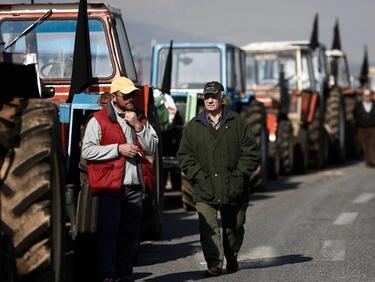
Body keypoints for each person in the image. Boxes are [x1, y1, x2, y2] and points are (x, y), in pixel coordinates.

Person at [177, 81, 260, 277]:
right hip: (204, 186)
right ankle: (214, 263)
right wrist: (197, 175)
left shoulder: (238, 123)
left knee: (235, 226)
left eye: (214, 96)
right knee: (208, 228)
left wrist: (239, 175)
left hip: (233, 185)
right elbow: (184, 156)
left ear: (222, 98)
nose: (210, 100)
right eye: (207, 97)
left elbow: (251, 153)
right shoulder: (193, 126)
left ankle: (232, 257)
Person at [81, 76, 159, 282]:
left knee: (131, 233)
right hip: (110, 187)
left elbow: (152, 147)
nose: (130, 98)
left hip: (134, 186)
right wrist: (118, 149)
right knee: (109, 232)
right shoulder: (98, 120)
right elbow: (87, 151)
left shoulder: (140, 118)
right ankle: (107, 274)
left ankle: (124, 273)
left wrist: (138, 127)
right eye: (125, 95)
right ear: (114, 96)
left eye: (132, 94)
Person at [354, 88, 375, 167]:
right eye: (365, 96)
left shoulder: (374, 105)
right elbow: (355, 116)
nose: (367, 97)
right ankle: (367, 160)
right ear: (363, 96)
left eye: (368, 95)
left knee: (372, 144)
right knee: (364, 145)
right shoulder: (358, 106)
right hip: (362, 128)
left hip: (372, 128)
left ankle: (372, 160)